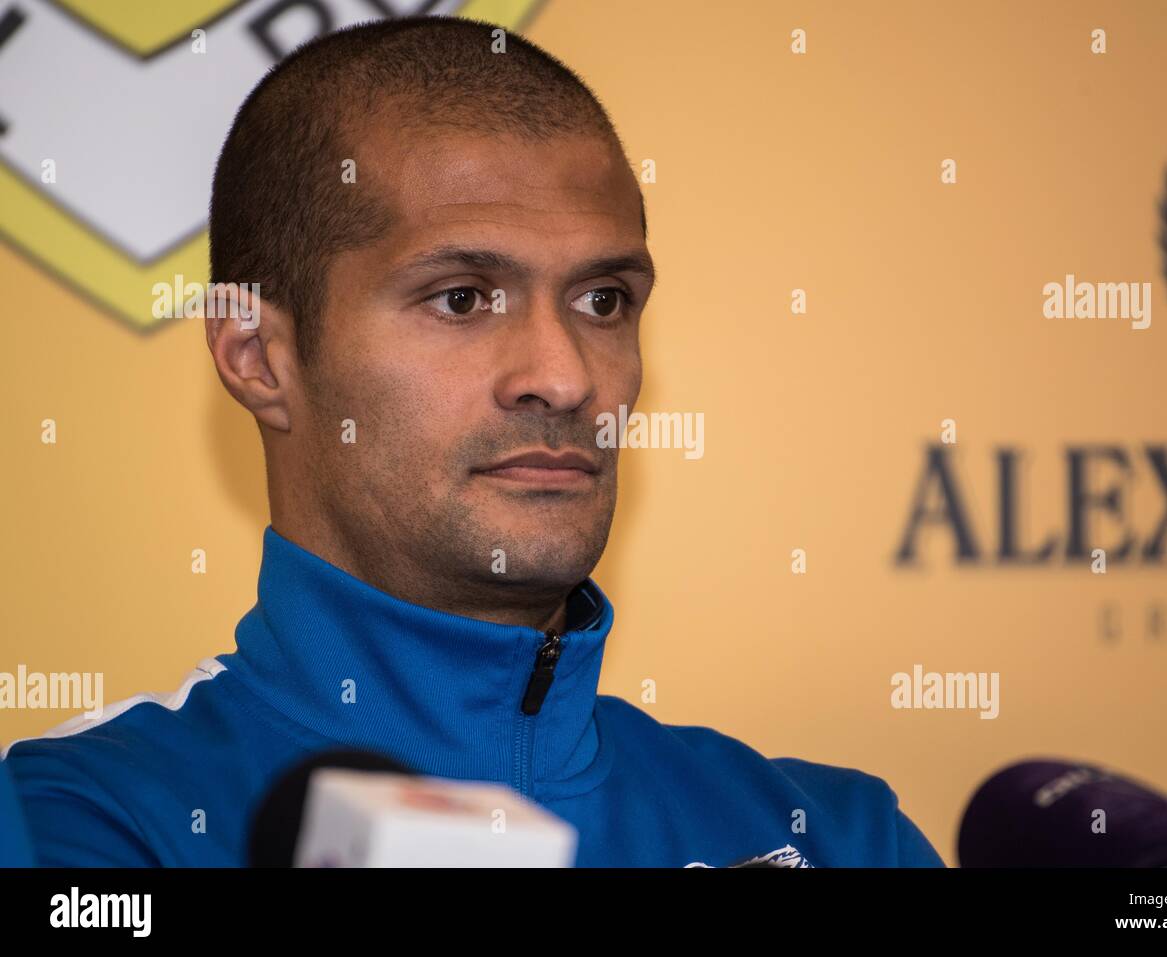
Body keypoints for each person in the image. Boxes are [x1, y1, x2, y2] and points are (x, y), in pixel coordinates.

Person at [3, 16, 942, 868]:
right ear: (257, 355)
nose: (566, 376)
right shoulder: (79, 824)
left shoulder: (838, 835)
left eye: (602, 300)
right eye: (461, 298)